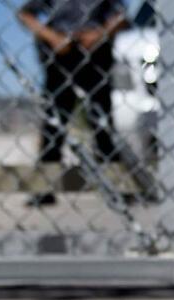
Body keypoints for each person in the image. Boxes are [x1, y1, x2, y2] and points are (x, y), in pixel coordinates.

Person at [18, 0, 128, 207]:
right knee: (53, 123)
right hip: (60, 54)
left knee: (102, 121)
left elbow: (121, 17)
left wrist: (100, 34)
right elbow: (25, 14)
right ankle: (44, 187)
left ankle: (115, 185)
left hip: (96, 54)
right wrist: (52, 37)